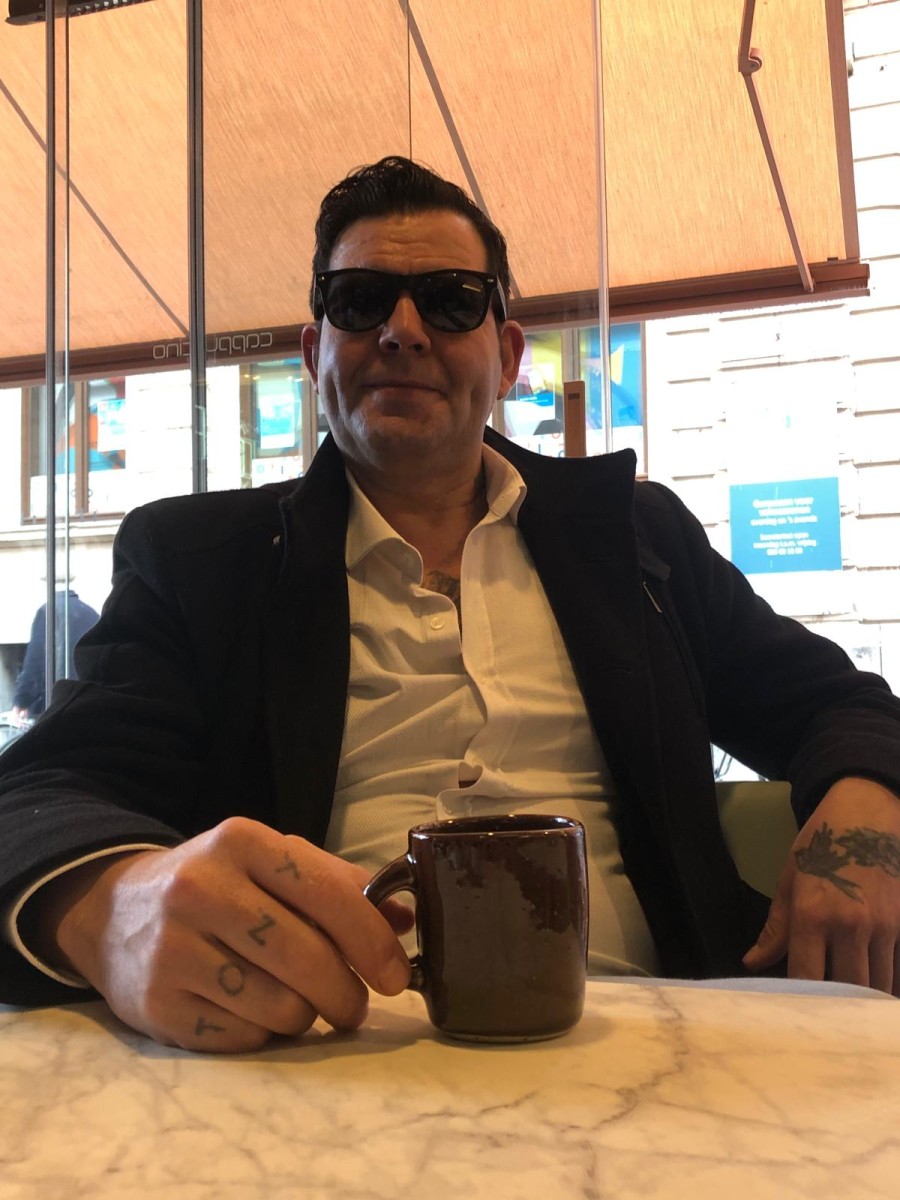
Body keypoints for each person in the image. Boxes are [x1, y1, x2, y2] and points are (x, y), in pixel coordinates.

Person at [0, 157, 899, 1053]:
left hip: (654, 1036)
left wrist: (863, 810)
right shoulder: (201, 563)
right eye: (360, 301)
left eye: (451, 300)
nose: (402, 331)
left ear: (506, 357)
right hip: (323, 1048)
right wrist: (111, 908)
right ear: (314, 354)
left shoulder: (634, 538)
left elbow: (841, 705)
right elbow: (42, 795)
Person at [10, 585, 100, 725]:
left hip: (58, 703)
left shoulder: (48, 612)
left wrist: (22, 702)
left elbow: (35, 663)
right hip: (88, 701)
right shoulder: (92, 614)